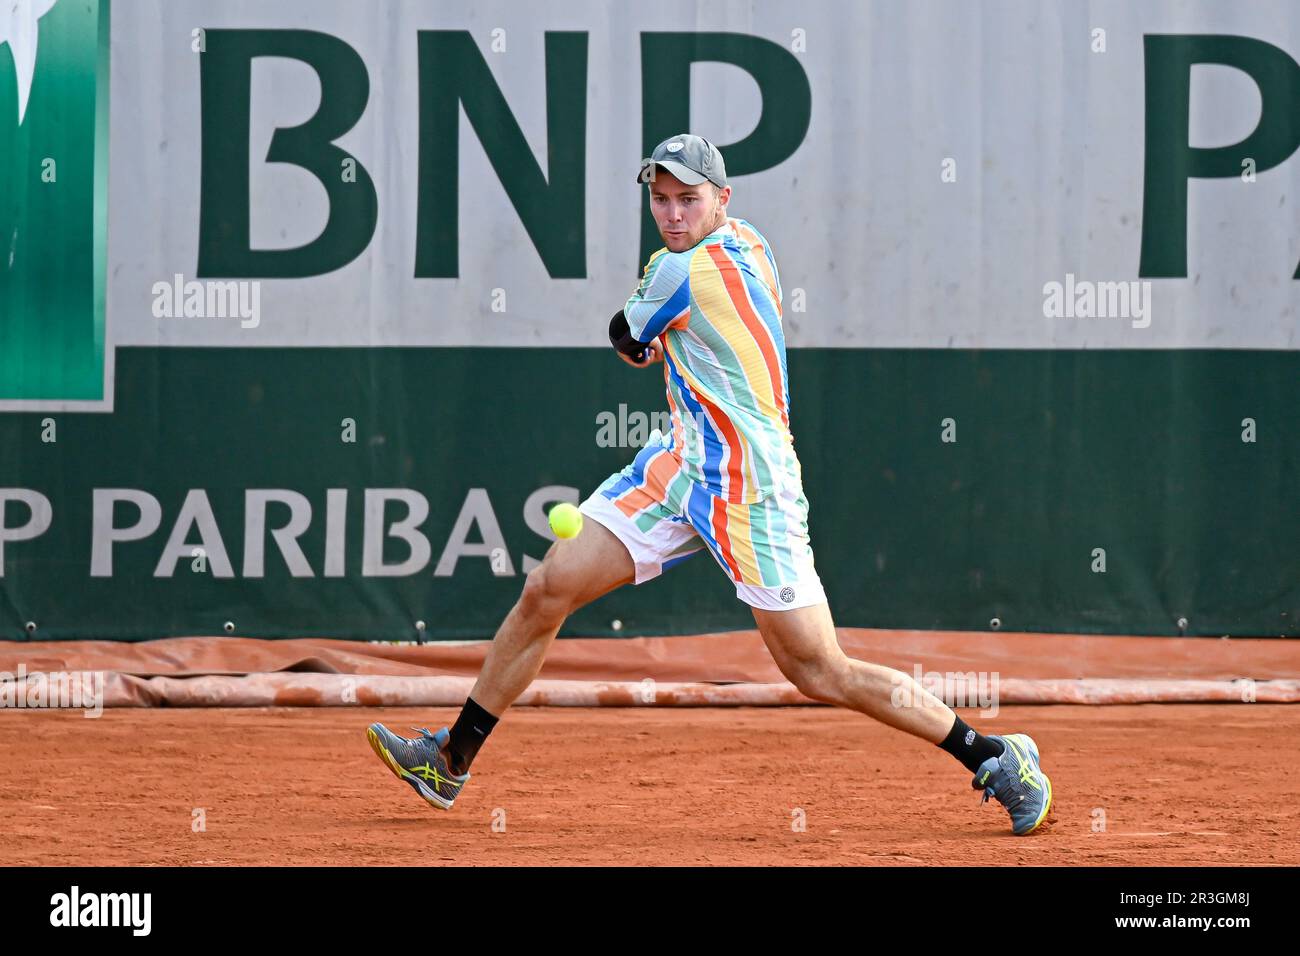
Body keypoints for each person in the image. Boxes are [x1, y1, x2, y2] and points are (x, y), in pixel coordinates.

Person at [366, 133, 1052, 835]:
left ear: (721, 199)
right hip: (678, 465)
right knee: (549, 587)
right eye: (660, 200)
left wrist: (641, 337)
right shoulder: (752, 241)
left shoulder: (675, 271)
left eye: (687, 199)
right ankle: (449, 760)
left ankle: (997, 756)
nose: (671, 214)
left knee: (818, 669)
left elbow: (627, 337)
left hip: (750, 488)